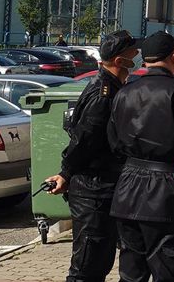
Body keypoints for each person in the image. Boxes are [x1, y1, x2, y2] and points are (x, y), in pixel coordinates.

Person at [107, 31, 174, 282]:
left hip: (127, 190)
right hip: (165, 190)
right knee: (170, 269)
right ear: (173, 57)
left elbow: (113, 142)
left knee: (131, 273)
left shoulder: (124, 92)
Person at [44, 30, 139, 282]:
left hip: (104, 187)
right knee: (88, 266)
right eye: (133, 52)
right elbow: (84, 140)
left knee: (101, 260)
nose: (138, 55)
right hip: (92, 191)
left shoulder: (113, 86)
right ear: (120, 61)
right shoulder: (103, 94)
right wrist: (66, 173)